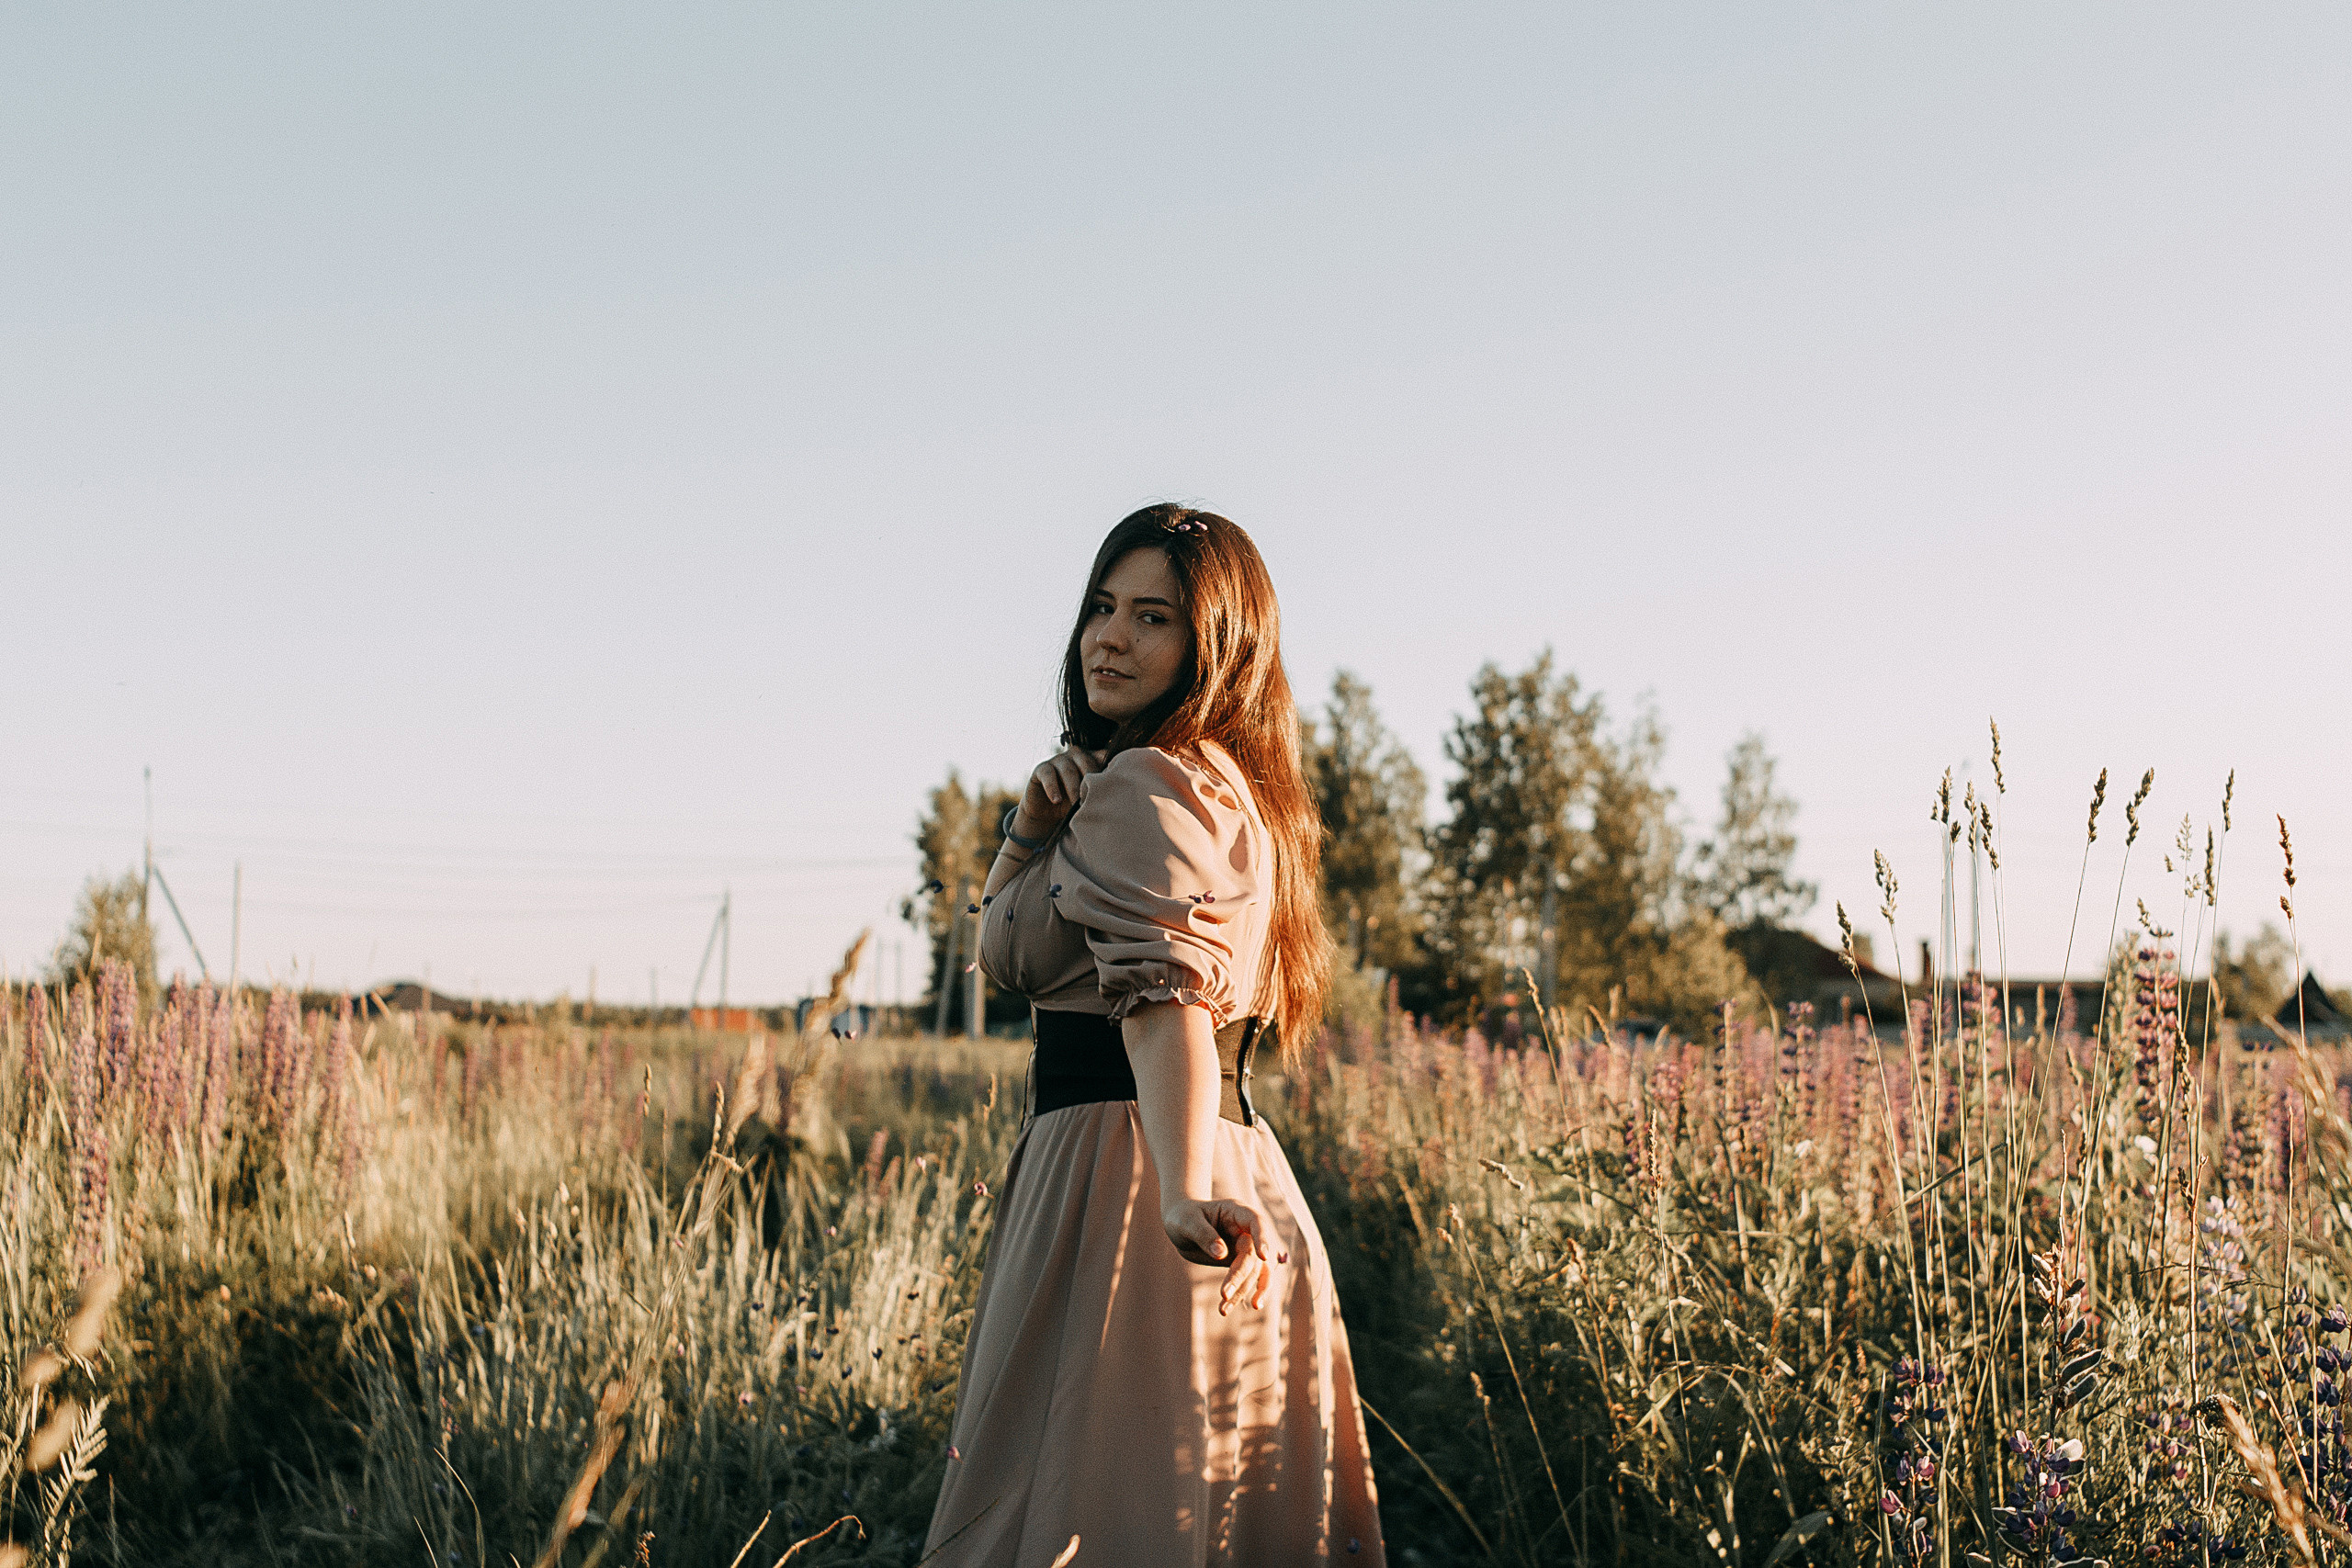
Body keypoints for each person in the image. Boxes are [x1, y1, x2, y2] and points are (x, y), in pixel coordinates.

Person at [923, 505, 1386, 1565]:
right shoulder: (1226, 789)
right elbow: (1010, 958)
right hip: (1226, 1160)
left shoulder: (1150, 783)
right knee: (1198, 1510)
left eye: (1152, 618)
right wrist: (1030, 833)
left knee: (1086, 1506)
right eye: (1101, 607)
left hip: (1127, 1176)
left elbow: (1165, 1002)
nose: (1109, 638)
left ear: (1215, 647)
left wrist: (1177, 1189)